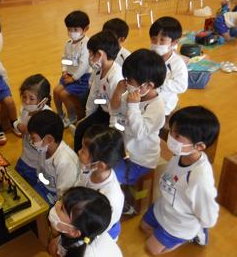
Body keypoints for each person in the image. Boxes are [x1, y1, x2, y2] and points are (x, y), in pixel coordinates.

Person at [140, 106, 220, 255]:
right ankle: (168, 235)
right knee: (144, 227)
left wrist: (204, 223)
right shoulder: (180, 154)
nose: (170, 137)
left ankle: (195, 233)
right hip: (165, 206)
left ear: (200, 146)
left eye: (177, 136)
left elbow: (208, 210)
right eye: (171, 132)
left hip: (180, 222)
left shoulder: (200, 177)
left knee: (151, 249)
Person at [111, 49, 166, 186]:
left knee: (111, 178)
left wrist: (133, 106)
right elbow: (114, 110)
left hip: (141, 160)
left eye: (130, 80)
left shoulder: (156, 108)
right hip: (124, 149)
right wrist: (118, 92)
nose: (126, 83)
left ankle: (124, 205)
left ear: (147, 85)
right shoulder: (133, 95)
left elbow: (139, 133)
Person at [73, 30, 121, 153]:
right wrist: (87, 118)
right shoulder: (99, 69)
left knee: (94, 141)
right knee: (81, 128)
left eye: (90, 53)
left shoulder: (116, 78)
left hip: (112, 117)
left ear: (99, 54)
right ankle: (78, 158)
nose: (89, 57)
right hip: (102, 111)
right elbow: (93, 96)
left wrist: (112, 130)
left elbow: (116, 110)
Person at [76, 125, 125, 241]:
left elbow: (96, 231)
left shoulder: (110, 198)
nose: (78, 152)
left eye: (83, 150)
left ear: (99, 165)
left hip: (101, 233)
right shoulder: (90, 169)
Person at [48, 187, 123, 257]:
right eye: (61, 200)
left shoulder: (87, 253)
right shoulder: (75, 234)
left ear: (74, 232)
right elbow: (54, 246)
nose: (57, 204)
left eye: (61, 209)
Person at [27, 110, 79, 205]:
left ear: (49, 139)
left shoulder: (65, 162)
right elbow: (41, 170)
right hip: (44, 186)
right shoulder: (44, 148)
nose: (31, 141)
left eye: (33, 138)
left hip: (57, 197)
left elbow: (64, 196)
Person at [53, 11, 91, 128]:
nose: (72, 33)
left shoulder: (87, 44)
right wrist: (64, 71)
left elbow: (83, 66)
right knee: (55, 91)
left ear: (85, 29)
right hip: (69, 74)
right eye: (69, 29)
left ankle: (72, 116)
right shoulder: (68, 43)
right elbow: (64, 58)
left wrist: (73, 78)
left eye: (75, 30)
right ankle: (60, 114)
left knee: (64, 94)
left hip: (82, 78)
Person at [14, 74, 52, 186]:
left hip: (39, 163)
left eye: (31, 98)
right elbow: (18, 122)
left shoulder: (48, 117)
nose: (27, 102)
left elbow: (49, 146)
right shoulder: (24, 110)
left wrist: (31, 132)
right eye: (24, 97)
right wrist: (18, 125)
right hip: (25, 156)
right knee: (16, 181)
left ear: (43, 101)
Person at [149, 17, 188, 116]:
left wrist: (156, 82)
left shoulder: (177, 63)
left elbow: (181, 86)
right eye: (154, 39)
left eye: (162, 40)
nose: (157, 44)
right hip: (147, 104)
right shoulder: (148, 57)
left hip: (166, 107)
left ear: (174, 42)